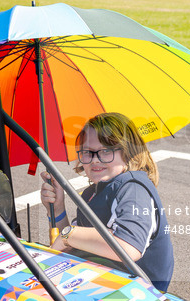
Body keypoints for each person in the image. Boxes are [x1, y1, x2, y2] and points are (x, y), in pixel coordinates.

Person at [40, 112, 173, 291]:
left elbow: (129, 246)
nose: (95, 160)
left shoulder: (133, 188)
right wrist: (57, 211)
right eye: (87, 152)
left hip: (137, 299)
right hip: (106, 283)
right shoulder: (94, 192)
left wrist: (68, 234)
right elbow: (71, 248)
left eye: (105, 151)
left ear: (127, 152)